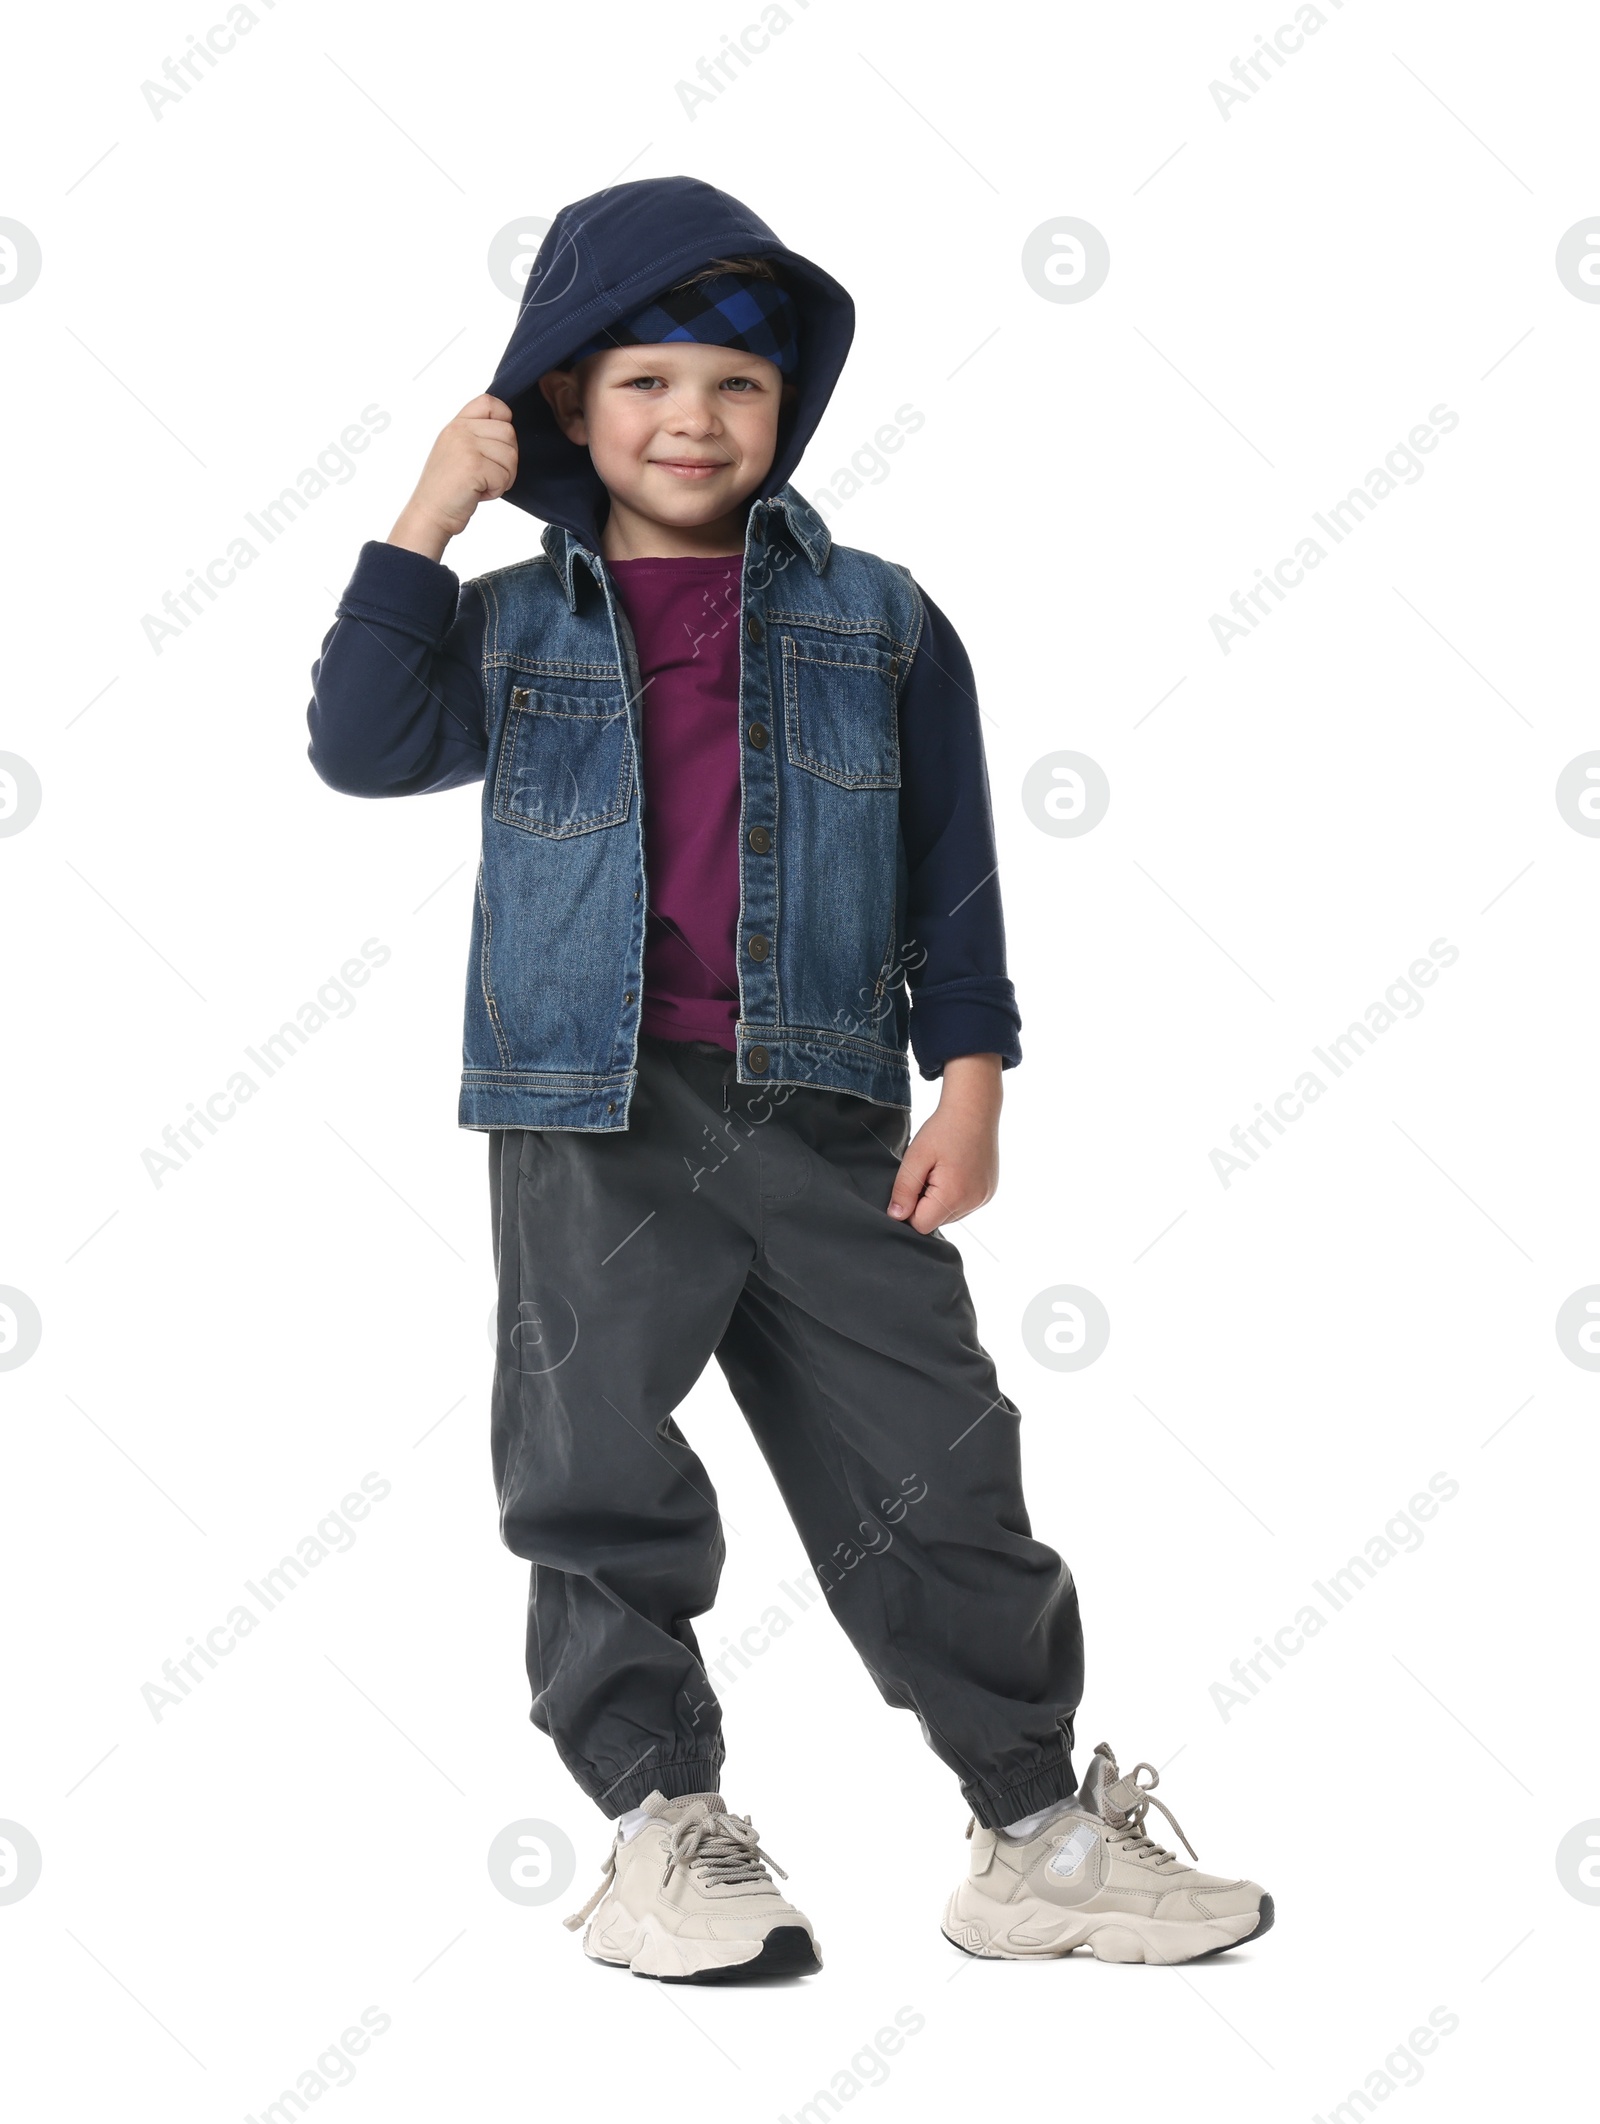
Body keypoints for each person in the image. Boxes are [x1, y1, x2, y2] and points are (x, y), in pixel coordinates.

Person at [306, 174, 1271, 1982]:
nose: (693, 422)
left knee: (942, 1461)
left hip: (827, 1110)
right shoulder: (511, 627)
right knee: (595, 1471)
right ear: (571, 413)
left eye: (736, 389)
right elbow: (357, 747)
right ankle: (666, 1831)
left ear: (789, 411)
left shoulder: (880, 622)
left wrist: (969, 1078)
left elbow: (954, 871)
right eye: (648, 384)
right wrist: (431, 510)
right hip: (588, 1113)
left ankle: (1032, 1830)